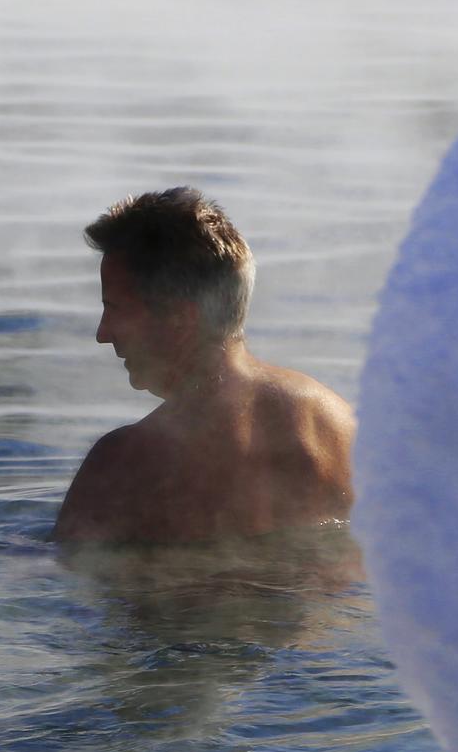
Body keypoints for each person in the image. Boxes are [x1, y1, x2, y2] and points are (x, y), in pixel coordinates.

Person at [55, 187, 356, 545]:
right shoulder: (343, 430)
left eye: (116, 308)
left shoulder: (126, 464)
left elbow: (60, 574)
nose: (103, 333)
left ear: (181, 317)